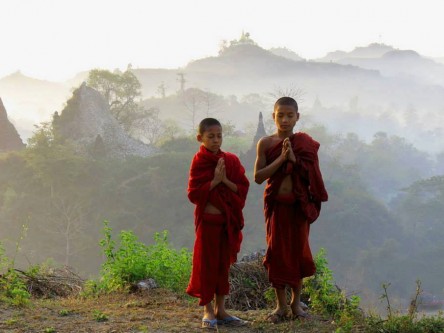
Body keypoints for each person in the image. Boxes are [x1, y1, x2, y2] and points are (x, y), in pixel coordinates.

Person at [254, 97, 328, 323]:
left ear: (298, 117)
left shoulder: (304, 143)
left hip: (298, 208)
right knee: (276, 253)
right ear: (273, 116)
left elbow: (312, 176)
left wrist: (294, 159)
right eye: (280, 115)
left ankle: (296, 306)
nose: (285, 120)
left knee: (298, 253)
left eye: (289, 115)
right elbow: (258, 177)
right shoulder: (265, 143)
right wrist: (282, 160)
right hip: (277, 207)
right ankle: (280, 306)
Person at [186, 118, 250, 330]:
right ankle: (208, 310)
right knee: (206, 266)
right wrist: (214, 180)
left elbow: (241, 187)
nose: (216, 140)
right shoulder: (199, 161)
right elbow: (194, 194)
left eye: (219, 136)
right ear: (200, 138)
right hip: (207, 224)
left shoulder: (230, 160)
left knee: (222, 266)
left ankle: (221, 310)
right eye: (210, 136)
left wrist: (223, 180)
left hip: (226, 223)